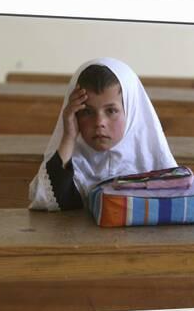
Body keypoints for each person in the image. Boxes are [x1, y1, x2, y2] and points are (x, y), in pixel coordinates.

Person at [28, 57, 177, 211]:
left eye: (111, 111)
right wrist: (68, 137)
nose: (99, 122)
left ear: (131, 111)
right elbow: (47, 202)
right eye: (87, 111)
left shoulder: (153, 164)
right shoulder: (70, 159)